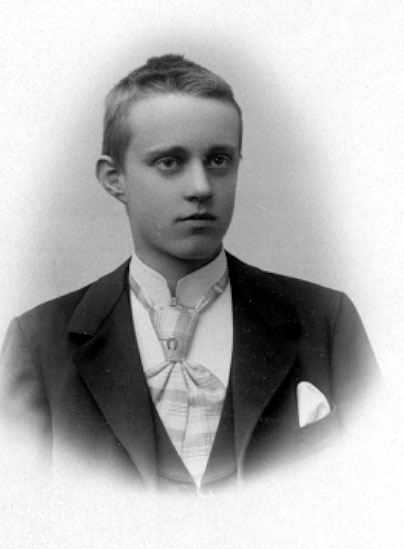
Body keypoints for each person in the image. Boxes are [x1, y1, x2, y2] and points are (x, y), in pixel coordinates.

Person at [0, 54, 379, 494]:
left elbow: (376, 489)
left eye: (218, 160)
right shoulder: (39, 342)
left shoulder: (326, 320)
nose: (200, 187)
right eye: (169, 162)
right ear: (114, 178)